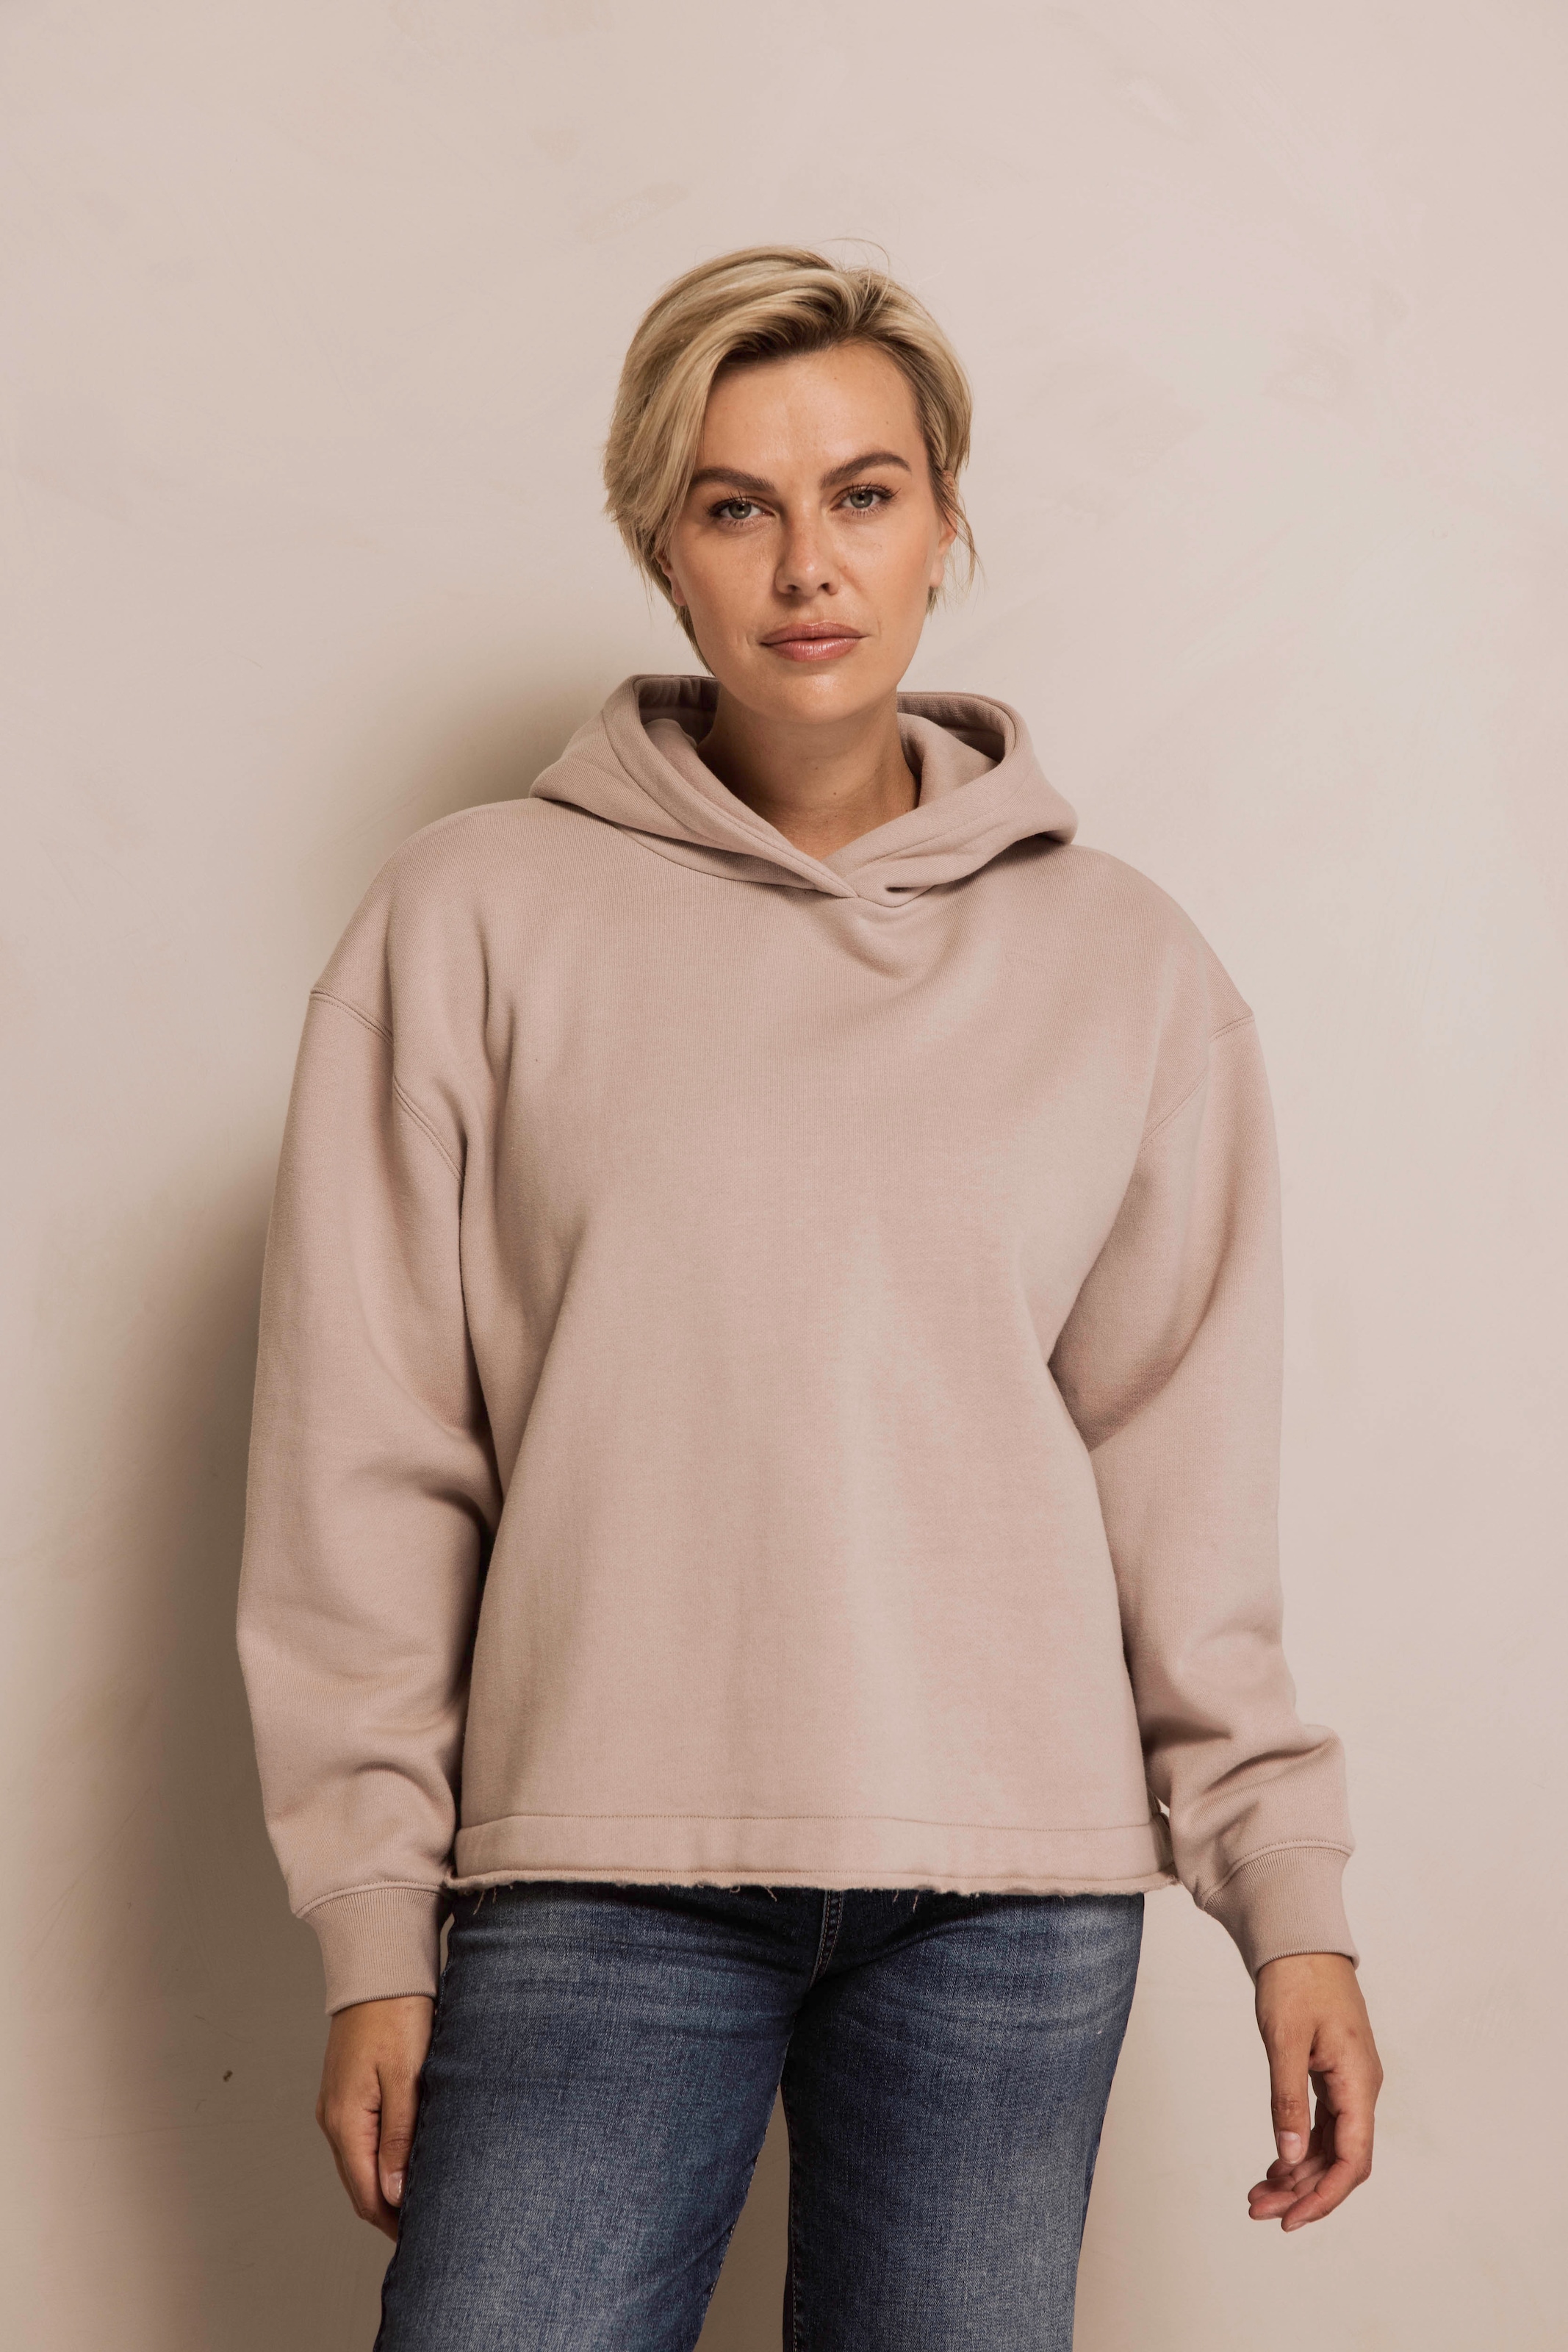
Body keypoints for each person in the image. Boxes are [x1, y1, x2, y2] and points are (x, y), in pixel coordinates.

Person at [237, 246, 1382, 2351]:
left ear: (947, 520)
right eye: (733, 504)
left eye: (864, 493)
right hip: (597, 1868)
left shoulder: (1123, 964)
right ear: (656, 543)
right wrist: (372, 1919)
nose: (806, 566)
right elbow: (369, 1455)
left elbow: (1182, 1480)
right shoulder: (471, 916)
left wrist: (1286, 1897)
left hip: (1013, 1904)